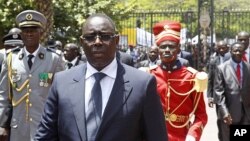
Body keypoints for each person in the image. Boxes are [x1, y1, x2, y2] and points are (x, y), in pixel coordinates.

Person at [34, 13, 167, 141]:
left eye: (105, 36)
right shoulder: (61, 82)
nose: (97, 42)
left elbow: (156, 136)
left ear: (116, 40)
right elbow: (45, 136)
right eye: (90, 37)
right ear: (82, 42)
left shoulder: (142, 84)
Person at [0, 10, 65, 141]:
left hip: (45, 126)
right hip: (17, 127)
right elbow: (4, 95)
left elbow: (62, 96)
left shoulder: (54, 59)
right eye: (25, 30)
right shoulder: (11, 58)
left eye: (33, 29)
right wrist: (2, 124)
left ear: (40, 32)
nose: (29, 33)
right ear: (21, 33)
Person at [148, 20, 208, 141]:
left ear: (179, 48)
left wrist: (192, 136)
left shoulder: (191, 77)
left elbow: (201, 115)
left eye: (171, 46)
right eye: (163, 47)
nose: (167, 50)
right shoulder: (148, 75)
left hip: (182, 137)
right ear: (158, 49)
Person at [214, 42, 250, 141]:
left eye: (240, 51)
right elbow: (218, 92)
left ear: (244, 53)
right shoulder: (222, 68)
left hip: (246, 113)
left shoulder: (248, 67)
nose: (238, 52)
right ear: (230, 52)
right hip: (229, 114)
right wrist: (225, 112)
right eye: (235, 50)